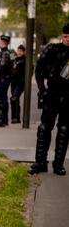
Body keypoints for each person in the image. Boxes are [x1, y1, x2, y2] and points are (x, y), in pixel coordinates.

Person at [29, 24, 69, 176]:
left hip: (68, 97)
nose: (67, 39)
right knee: (44, 128)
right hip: (51, 93)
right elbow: (39, 69)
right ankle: (40, 162)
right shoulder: (52, 49)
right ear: (62, 36)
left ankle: (58, 164)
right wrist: (42, 89)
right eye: (65, 36)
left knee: (64, 130)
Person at [0, 35, 14, 127]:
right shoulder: (11, 52)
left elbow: (1, 67)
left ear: (2, 43)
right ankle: (4, 119)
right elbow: (13, 64)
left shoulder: (4, 53)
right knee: (4, 98)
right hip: (7, 78)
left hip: (2, 78)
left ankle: (1, 119)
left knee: (0, 99)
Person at [10, 44, 25, 124]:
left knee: (14, 98)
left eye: (21, 51)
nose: (19, 52)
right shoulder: (15, 59)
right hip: (14, 82)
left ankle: (16, 117)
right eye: (18, 51)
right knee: (14, 99)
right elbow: (11, 61)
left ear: (24, 52)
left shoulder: (25, 59)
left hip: (21, 82)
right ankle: (15, 117)